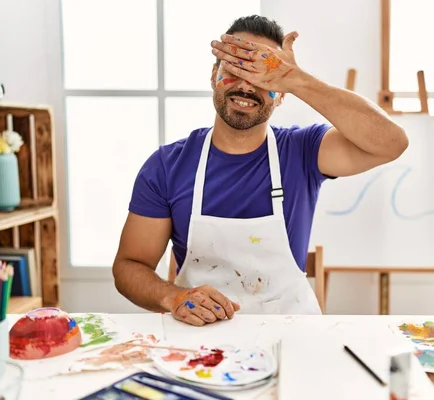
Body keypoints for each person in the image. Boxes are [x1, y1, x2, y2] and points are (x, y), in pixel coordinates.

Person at [112, 15, 408, 326]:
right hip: (201, 345)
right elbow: (130, 266)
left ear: (281, 93)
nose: (245, 86)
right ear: (214, 75)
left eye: (263, 76)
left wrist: (297, 79)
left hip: (293, 336)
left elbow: (391, 143)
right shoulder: (167, 166)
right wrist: (172, 297)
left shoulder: (303, 151)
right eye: (234, 70)